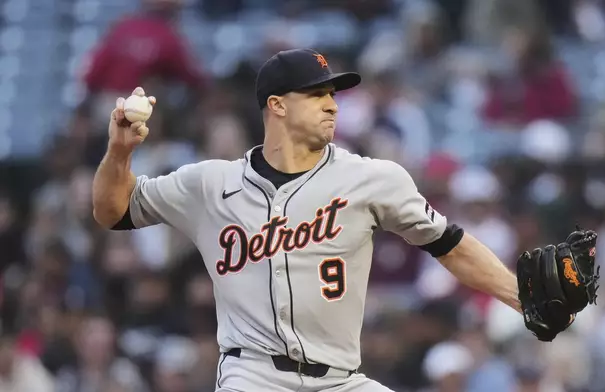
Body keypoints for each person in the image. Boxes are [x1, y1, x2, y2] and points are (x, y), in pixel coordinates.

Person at [92, 48, 528, 392]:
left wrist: (520, 298)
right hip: (254, 377)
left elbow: (450, 244)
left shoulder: (372, 178)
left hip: (342, 379)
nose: (332, 106)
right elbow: (113, 211)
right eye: (317, 94)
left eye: (333, 95)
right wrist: (120, 152)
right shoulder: (210, 184)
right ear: (277, 105)